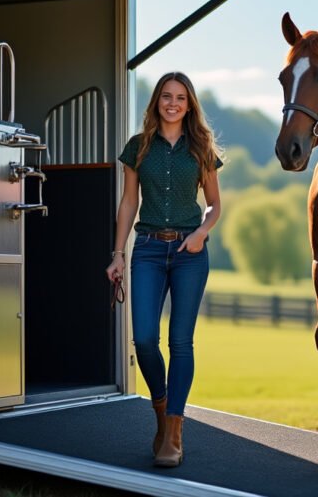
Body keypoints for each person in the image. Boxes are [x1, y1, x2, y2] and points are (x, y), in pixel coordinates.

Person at [105, 72, 223, 467]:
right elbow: (127, 203)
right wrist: (118, 253)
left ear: (190, 105)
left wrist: (203, 232)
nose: (173, 104)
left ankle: (173, 432)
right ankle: (161, 411)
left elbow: (214, 204)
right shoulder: (137, 147)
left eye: (181, 98)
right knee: (143, 340)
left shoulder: (201, 147)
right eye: (167, 97)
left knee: (181, 342)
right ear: (157, 101)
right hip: (150, 251)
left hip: (191, 251)